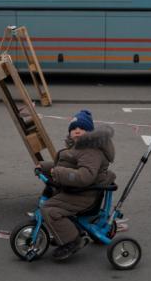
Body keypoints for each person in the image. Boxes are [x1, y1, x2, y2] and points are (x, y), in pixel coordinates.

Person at [39, 110, 116, 261]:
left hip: (85, 194)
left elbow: (85, 176)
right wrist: (45, 167)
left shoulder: (90, 150)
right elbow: (64, 164)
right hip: (76, 190)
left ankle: (73, 240)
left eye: (82, 128)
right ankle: (66, 232)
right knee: (51, 200)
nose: (77, 131)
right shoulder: (77, 147)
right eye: (74, 128)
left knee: (50, 209)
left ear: (90, 133)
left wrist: (59, 173)